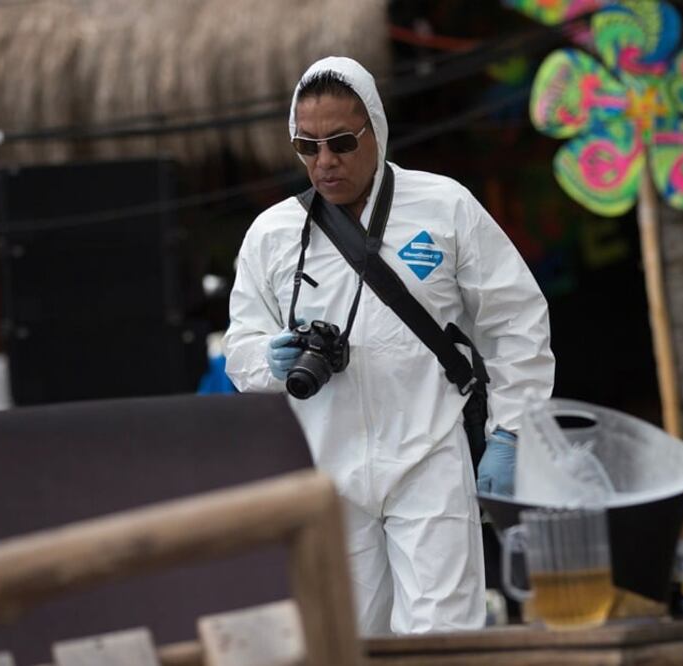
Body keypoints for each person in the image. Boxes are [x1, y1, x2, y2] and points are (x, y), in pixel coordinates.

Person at [224, 56, 555, 634]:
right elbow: (240, 344)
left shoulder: (444, 206)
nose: (324, 162)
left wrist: (511, 431)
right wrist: (266, 359)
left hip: (428, 453)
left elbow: (515, 320)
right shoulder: (272, 234)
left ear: (375, 128)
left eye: (342, 142)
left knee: (443, 636)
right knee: (346, 638)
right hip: (326, 469)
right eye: (307, 146)